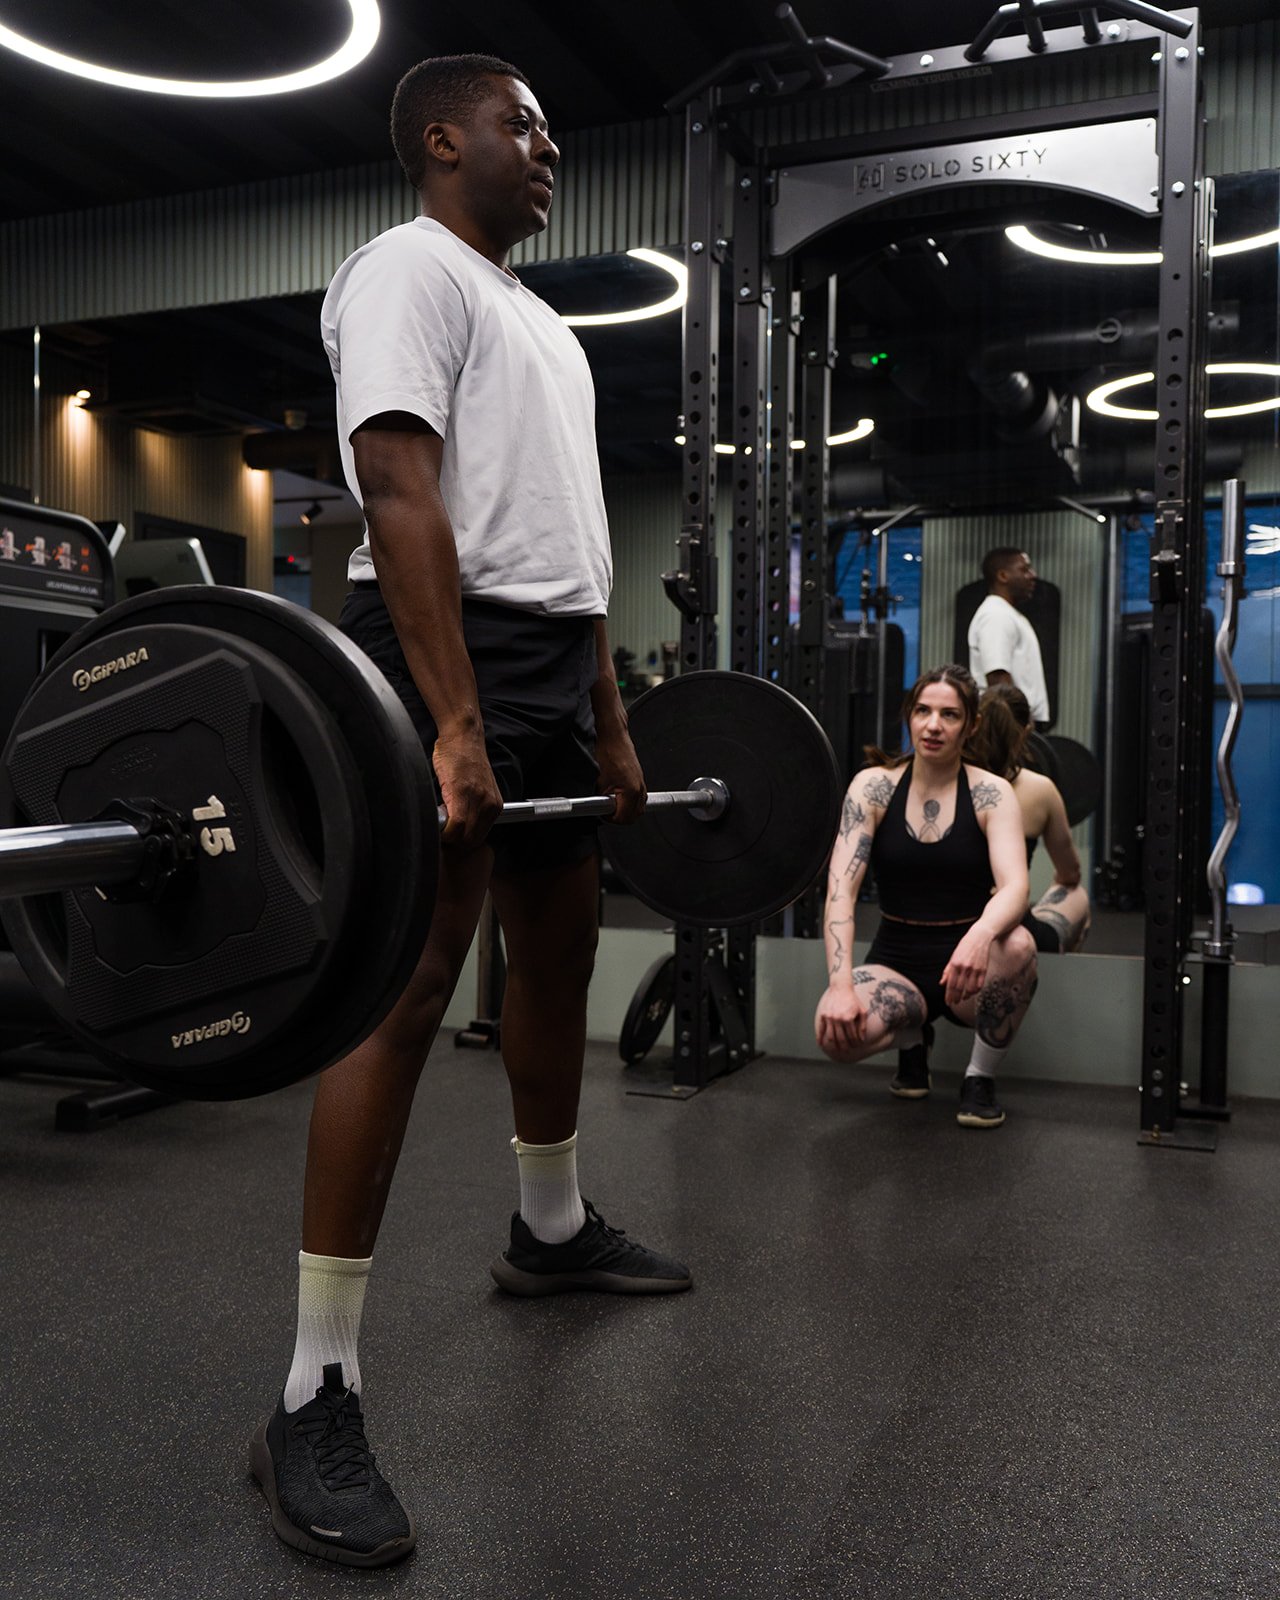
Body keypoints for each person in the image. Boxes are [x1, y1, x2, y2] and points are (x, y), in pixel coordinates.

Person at [248, 54, 691, 1569]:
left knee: (557, 947)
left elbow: (567, 546)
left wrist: (612, 713)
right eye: (524, 123)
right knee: (409, 984)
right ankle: (312, 1389)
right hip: (438, 643)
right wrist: (448, 719)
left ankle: (550, 1230)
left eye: (556, 126)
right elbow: (396, 488)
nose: (549, 144)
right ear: (444, 140)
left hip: (549, 662)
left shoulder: (546, 327)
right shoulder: (403, 273)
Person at [814, 665, 1038, 1130]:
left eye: (949, 715)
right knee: (833, 1036)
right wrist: (839, 987)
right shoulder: (873, 786)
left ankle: (978, 1077)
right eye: (923, 711)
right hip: (896, 958)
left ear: (971, 724)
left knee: (1018, 946)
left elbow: (1016, 886)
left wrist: (980, 936)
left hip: (967, 965)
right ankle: (913, 1036)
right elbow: (840, 891)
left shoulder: (991, 794)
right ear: (909, 716)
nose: (933, 725)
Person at [966, 684, 1091, 953]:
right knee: (1076, 894)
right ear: (1026, 732)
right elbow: (1070, 874)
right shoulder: (1041, 789)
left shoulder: (947, 782)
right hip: (1016, 929)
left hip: (953, 923)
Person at [967, 547, 1050, 725]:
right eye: (1024, 569)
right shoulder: (996, 615)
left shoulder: (1006, 613)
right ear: (1003, 576)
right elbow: (998, 679)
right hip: (1013, 726)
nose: (1033, 575)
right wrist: (1015, 728)